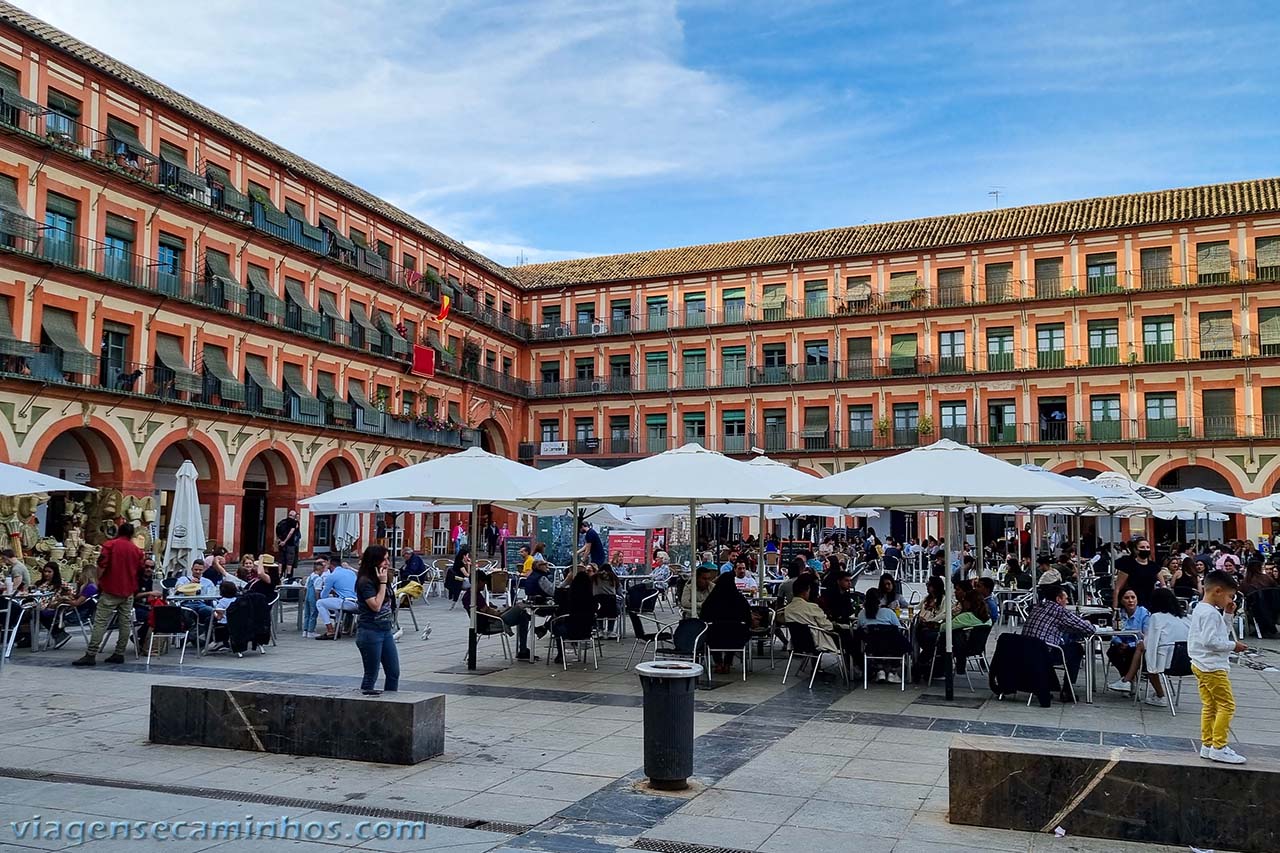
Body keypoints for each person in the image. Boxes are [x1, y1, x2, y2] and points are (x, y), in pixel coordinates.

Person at [1189, 570, 1247, 763]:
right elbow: (1211, 641)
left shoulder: (1202, 609)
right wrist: (1234, 646)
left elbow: (1218, 631)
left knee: (1210, 705)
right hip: (1212, 666)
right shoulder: (1210, 614)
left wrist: (1228, 614)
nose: (1231, 599)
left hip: (1201, 664)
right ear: (1218, 591)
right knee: (1226, 705)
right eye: (1230, 596)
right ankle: (1219, 746)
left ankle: (1208, 744)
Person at [73, 523, 144, 666]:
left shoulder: (110, 545)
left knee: (100, 622)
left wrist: (99, 582)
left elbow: (101, 566)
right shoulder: (137, 551)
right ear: (131, 534)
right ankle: (119, 652)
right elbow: (140, 570)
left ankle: (91, 653)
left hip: (111, 588)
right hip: (128, 590)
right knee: (125, 623)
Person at [1021, 582, 1096, 701]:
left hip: (1024, 651)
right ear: (1058, 599)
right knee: (1076, 649)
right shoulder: (1060, 612)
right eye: (1065, 599)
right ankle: (1067, 690)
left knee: (1067, 640)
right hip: (1044, 654)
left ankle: (1047, 685)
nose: (1067, 602)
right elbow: (1090, 629)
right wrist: (1087, 623)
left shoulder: (1037, 607)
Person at [352, 545, 399, 695]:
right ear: (374, 561)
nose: (387, 563)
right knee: (371, 673)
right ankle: (364, 705)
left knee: (393, 672)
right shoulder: (365, 582)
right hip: (370, 631)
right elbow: (376, 606)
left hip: (385, 630)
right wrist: (383, 583)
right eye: (383, 560)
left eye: (387, 559)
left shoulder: (380, 579)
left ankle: (392, 703)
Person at [1133, 588, 1190, 706]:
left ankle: (1160, 695)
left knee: (1146, 658)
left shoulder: (1157, 617)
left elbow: (1150, 643)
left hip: (1167, 661)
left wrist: (1151, 665)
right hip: (1187, 661)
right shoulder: (1186, 618)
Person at [701, 572, 752, 673]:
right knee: (733, 631)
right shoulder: (739, 598)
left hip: (714, 637)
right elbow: (747, 617)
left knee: (713, 631)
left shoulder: (712, 599)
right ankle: (727, 663)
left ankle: (718, 663)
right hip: (736, 637)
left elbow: (703, 617)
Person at [1105, 589, 1151, 693]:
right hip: (1122, 644)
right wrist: (1119, 643)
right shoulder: (1119, 614)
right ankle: (1128, 680)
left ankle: (1127, 681)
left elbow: (1146, 636)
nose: (1130, 600)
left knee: (1130, 652)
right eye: (1126, 598)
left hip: (1139, 646)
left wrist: (1129, 645)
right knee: (1112, 652)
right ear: (1121, 601)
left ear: (1137, 599)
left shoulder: (1144, 614)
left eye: (1133, 597)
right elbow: (1115, 632)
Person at [857, 588, 905, 683]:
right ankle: (893, 671)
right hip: (891, 644)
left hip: (871, 645)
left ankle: (879, 669)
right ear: (880, 599)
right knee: (900, 639)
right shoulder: (889, 612)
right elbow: (898, 628)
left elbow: (859, 628)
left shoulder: (862, 614)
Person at [783, 575, 840, 654]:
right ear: (805, 592)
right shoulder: (811, 607)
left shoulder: (787, 609)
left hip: (797, 643)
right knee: (845, 636)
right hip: (816, 641)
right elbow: (827, 626)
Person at [315, 556, 359, 640]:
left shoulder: (332, 576)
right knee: (336, 604)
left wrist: (332, 591)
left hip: (345, 602)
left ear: (331, 566)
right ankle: (338, 628)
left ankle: (330, 630)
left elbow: (323, 595)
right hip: (356, 602)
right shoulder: (351, 573)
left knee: (320, 603)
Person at [1114, 540, 1159, 610]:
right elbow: (1118, 588)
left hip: (1150, 603)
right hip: (1132, 603)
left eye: (1147, 547)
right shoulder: (1128, 565)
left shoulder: (1154, 566)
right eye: (1142, 547)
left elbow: (1163, 585)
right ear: (1136, 550)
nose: (1145, 549)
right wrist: (1115, 607)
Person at [208, 580, 240, 650]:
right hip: (239, 622)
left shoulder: (222, 602)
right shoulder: (238, 600)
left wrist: (214, 614)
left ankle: (213, 641)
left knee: (209, 620)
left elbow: (219, 616)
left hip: (226, 623)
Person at [302, 556, 329, 638]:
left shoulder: (310, 577)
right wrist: (318, 600)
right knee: (313, 614)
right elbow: (317, 591)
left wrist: (305, 597)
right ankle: (311, 631)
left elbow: (305, 588)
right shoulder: (318, 579)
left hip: (307, 597)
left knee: (307, 614)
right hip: (313, 598)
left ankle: (305, 630)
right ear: (320, 570)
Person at [275, 509, 301, 575]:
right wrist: (285, 541)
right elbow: (291, 533)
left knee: (281, 560)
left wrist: (280, 540)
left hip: (281, 544)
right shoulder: (294, 522)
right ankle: (289, 575)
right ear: (294, 516)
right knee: (289, 560)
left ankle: (279, 574)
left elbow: (277, 531)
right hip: (290, 544)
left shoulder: (282, 522)